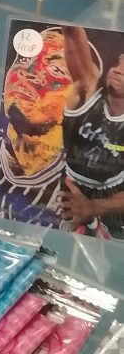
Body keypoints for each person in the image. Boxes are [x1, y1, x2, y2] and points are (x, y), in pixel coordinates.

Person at [60, 25, 124, 238]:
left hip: (113, 200)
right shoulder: (87, 91)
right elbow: (71, 29)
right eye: (116, 64)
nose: (118, 70)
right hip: (72, 185)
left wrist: (93, 207)